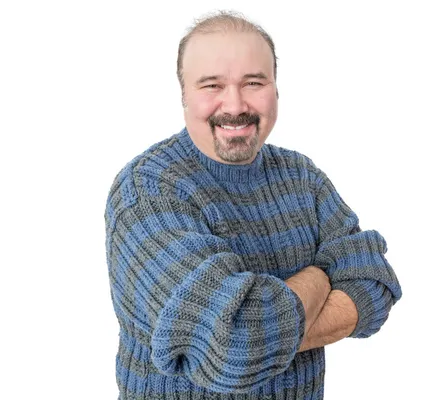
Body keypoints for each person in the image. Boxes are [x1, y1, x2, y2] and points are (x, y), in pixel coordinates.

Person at [104, 10, 402, 400]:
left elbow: (375, 284)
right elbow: (236, 343)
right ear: (183, 95)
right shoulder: (146, 192)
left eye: (254, 82)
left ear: (276, 90)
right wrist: (320, 275)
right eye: (211, 85)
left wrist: (262, 328)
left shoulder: (301, 176)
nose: (235, 104)